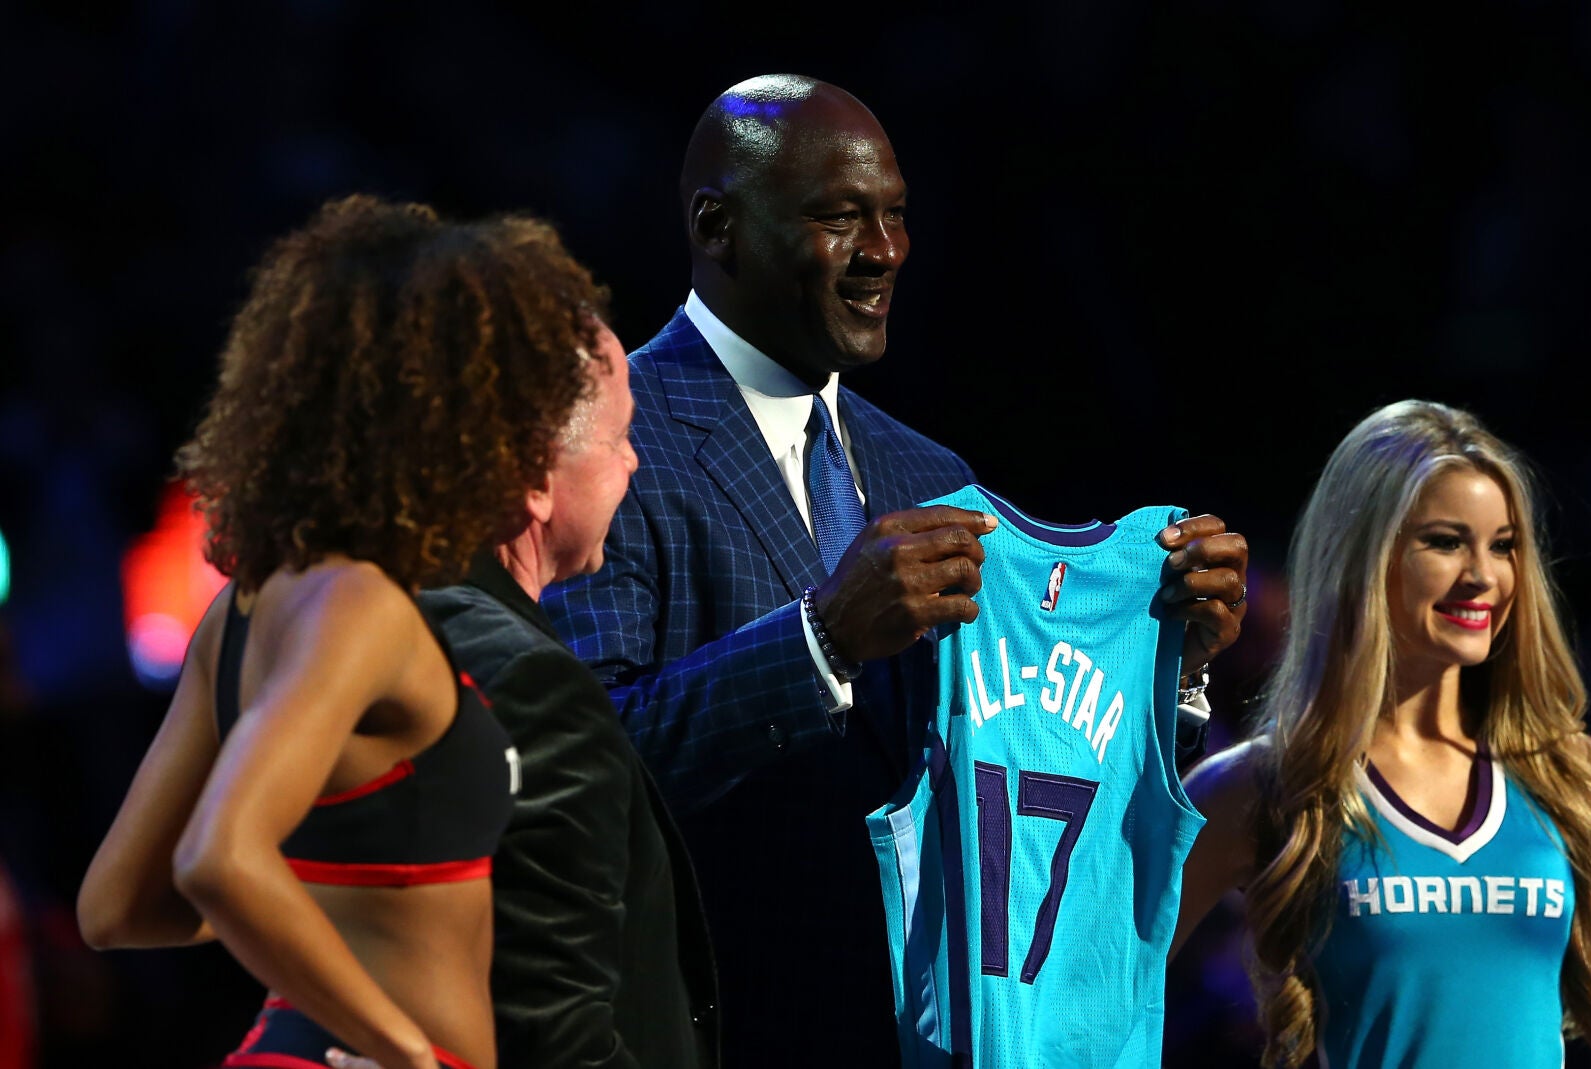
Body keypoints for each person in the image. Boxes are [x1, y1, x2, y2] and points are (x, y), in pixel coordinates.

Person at [542, 73, 1248, 1066]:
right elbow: (582, 762)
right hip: (709, 1037)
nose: (883, 252)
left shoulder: (931, 473)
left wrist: (1169, 669)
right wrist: (819, 638)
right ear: (718, 226)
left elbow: (1008, 761)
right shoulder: (615, 441)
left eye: (895, 216)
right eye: (839, 218)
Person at [75, 194, 609, 1069]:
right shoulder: (358, 604)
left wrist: (327, 894)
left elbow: (119, 903)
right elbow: (215, 856)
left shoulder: (246, 606)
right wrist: (404, 1047)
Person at [1172, 400, 1591, 1068]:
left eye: (1502, 545)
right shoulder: (1270, 781)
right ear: (1364, 555)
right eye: (1445, 541)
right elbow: (1096, 974)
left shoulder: (1569, 772)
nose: (1483, 575)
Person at [413, 323, 719, 1068]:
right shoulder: (531, 681)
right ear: (535, 479)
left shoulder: (385, 625)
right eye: (618, 438)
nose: (634, 462)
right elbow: (557, 1035)